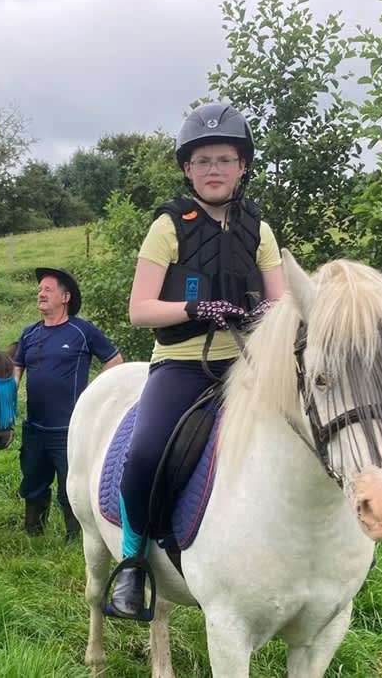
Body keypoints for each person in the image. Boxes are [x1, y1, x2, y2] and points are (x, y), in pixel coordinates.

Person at [107, 102, 286, 619]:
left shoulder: (260, 229)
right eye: (203, 160)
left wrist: (261, 310)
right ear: (188, 168)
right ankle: (133, 563)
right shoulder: (168, 226)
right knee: (143, 455)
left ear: (242, 166)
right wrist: (195, 306)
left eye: (224, 159)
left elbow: (282, 302)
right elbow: (140, 310)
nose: (214, 170)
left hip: (250, 365)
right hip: (182, 364)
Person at [14, 267, 122, 541]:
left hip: (70, 428)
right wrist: (6, 403)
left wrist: (96, 398)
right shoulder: (29, 334)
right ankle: (33, 534)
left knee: (70, 488)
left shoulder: (82, 330)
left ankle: (75, 538)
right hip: (35, 426)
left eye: (47, 290)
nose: (41, 294)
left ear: (65, 297)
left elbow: (114, 361)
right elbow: (16, 371)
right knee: (33, 482)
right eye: (39, 290)